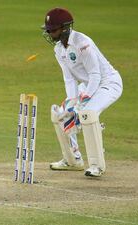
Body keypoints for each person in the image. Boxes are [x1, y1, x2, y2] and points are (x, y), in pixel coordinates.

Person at [42, 8, 123, 177]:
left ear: (65, 28)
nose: (50, 33)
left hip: (108, 83)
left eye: (53, 30)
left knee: (87, 114)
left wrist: (84, 100)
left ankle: (96, 166)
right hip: (87, 85)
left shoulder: (82, 43)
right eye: (48, 30)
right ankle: (73, 160)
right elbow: (69, 79)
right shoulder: (59, 49)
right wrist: (72, 101)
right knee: (61, 114)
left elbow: (95, 74)